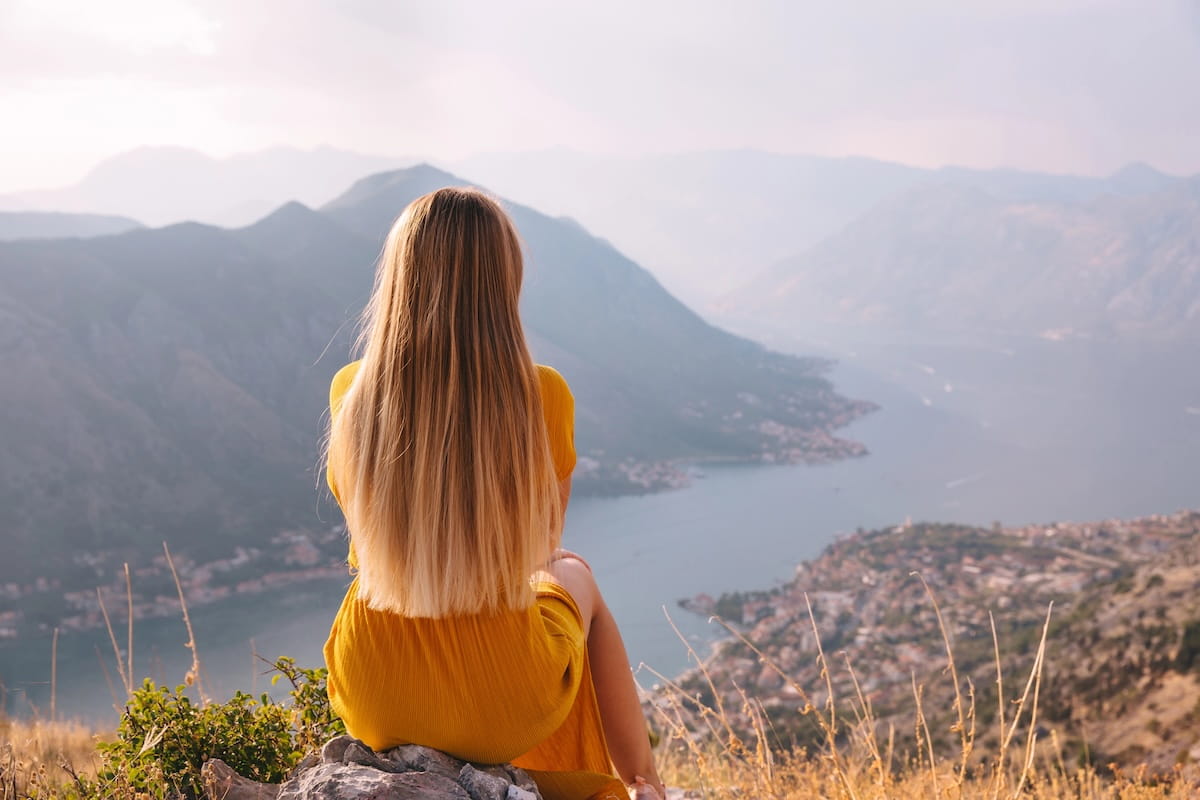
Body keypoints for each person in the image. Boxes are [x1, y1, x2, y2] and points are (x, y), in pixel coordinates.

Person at [321, 187, 666, 800]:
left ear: (399, 277)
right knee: (575, 573)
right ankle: (645, 784)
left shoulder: (353, 396)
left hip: (372, 688)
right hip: (505, 700)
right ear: (504, 278)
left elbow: (366, 540)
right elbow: (540, 551)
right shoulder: (543, 396)